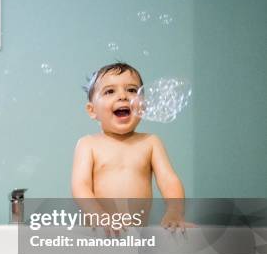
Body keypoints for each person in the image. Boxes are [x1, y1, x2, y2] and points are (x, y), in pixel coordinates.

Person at [71, 62, 189, 230]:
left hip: (138, 236)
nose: (123, 96)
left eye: (132, 90)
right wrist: (98, 215)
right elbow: (80, 186)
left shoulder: (150, 142)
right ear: (92, 110)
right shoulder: (88, 144)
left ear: (144, 105)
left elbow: (169, 180)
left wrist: (175, 211)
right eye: (110, 91)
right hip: (100, 234)